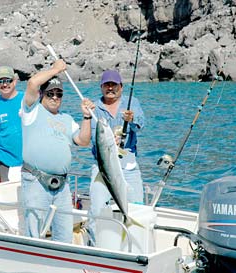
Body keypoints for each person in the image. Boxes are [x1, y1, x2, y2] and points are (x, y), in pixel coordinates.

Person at [21, 59, 95, 243]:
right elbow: (32, 83)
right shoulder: (31, 111)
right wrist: (55, 70)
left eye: (58, 94)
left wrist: (86, 116)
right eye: (50, 93)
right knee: (34, 235)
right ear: (42, 95)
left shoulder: (67, 119)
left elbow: (83, 141)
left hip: (62, 186)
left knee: (64, 235)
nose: (55, 97)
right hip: (36, 181)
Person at [88, 69, 145, 245]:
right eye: (107, 85)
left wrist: (132, 119)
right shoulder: (94, 108)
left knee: (137, 207)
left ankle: (136, 244)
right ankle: (93, 247)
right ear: (101, 87)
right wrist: (109, 141)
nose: (110, 88)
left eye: (114, 85)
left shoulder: (131, 103)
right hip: (103, 166)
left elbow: (140, 126)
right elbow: (93, 137)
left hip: (128, 165)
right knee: (96, 209)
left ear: (121, 86)